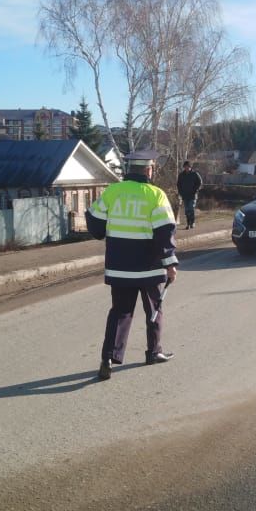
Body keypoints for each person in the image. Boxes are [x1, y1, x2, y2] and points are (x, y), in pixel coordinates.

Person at [86, 150, 178, 381]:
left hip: (120, 266)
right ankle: (153, 352)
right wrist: (170, 264)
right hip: (150, 267)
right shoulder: (156, 195)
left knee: (120, 312)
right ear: (148, 170)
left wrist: (101, 233)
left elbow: (94, 219)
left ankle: (109, 357)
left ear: (130, 170)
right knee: (153, 310)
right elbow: (165, 232)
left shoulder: (112, 192)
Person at [176, 160, 203, 229]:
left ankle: (192, 222)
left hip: (193, 195)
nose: (186, 168)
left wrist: (196, 190)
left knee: (191, 209)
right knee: (187, 210)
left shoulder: (195, 174)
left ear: (190, 167)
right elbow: (178, 184)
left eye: (187, 167)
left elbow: (200, 182)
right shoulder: (181, 175)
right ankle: (188, 223)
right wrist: (180, 192)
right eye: (185, 167)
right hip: (185, 195)